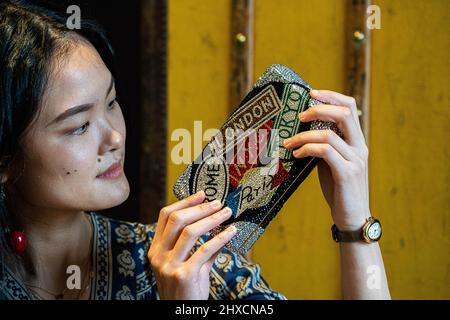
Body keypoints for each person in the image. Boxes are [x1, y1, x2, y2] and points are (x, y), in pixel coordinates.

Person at [0, 0, 390, 300]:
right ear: (6, 157)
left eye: (112, 102)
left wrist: (356, 224)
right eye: (79, 125)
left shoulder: (197, 264)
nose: (115, 138)